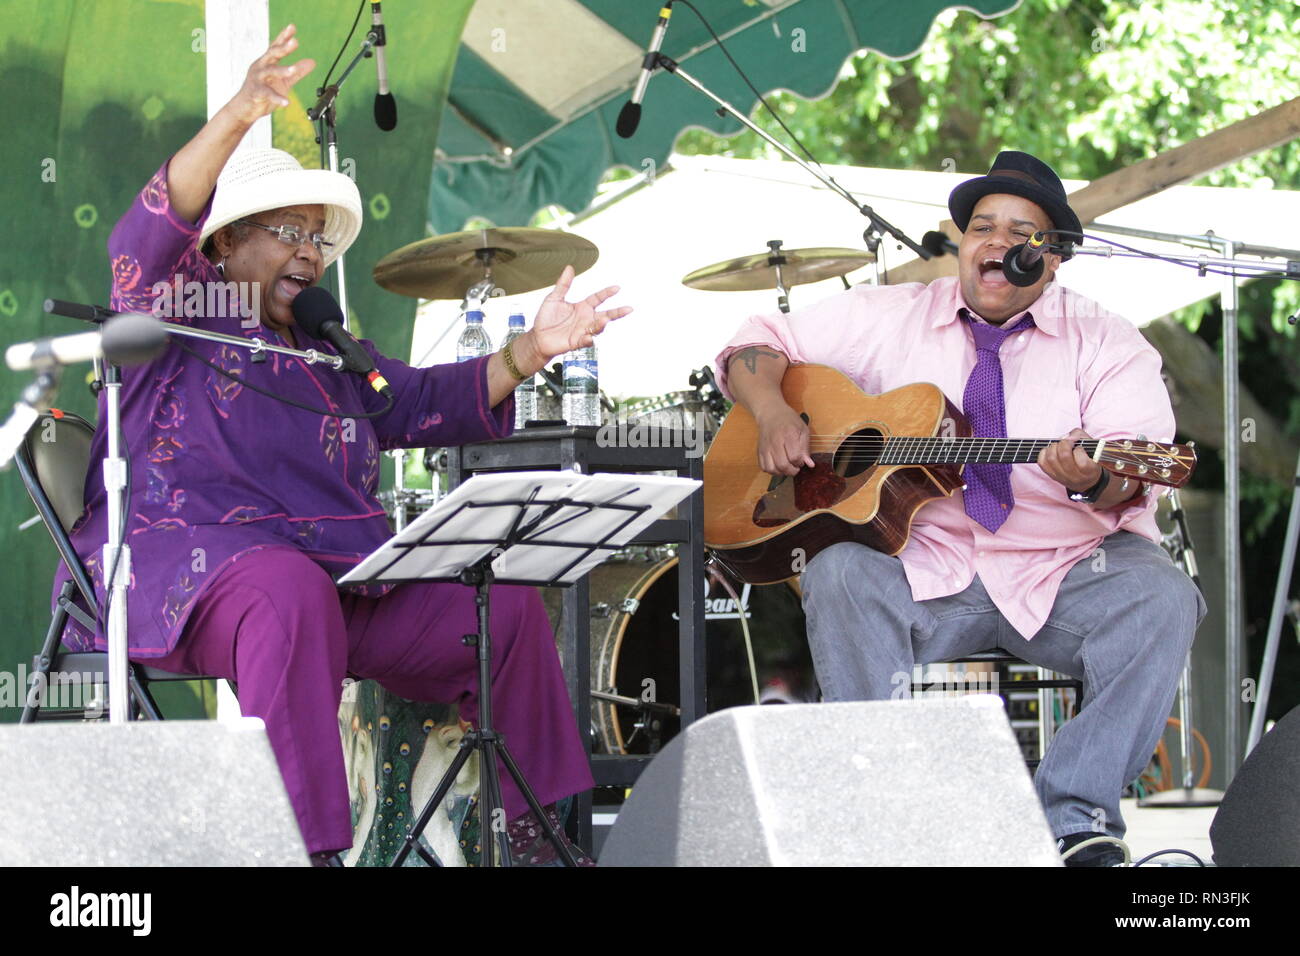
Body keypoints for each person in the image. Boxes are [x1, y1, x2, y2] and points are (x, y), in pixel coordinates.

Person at [55, 24, 628, 866]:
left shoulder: (328, 350)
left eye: (317, 237)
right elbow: (147, 236)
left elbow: (427, 402)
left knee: (501, 610)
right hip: (194, 576)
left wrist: (528, 354)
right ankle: (307, 852)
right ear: (224, 242)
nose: (310, 253)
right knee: (288, 593)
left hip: (340, 584)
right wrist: (241, 111)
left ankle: (535, 837)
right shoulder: (172, 313)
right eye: (287, 231)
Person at [716, 150, 1206, 866]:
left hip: (1063, 570)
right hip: (924, 570)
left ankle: (1075, 818)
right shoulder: (888, 315)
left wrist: (1089, 478)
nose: (996, 243)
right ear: (963, 242)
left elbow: (1135, 480)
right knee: (838, 572)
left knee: (1165, 595)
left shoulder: (1107, 342)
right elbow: (754, 340)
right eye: (982, 226)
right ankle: (872, 825)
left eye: (1021, 233)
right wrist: (769, 413)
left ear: (1053, 257)